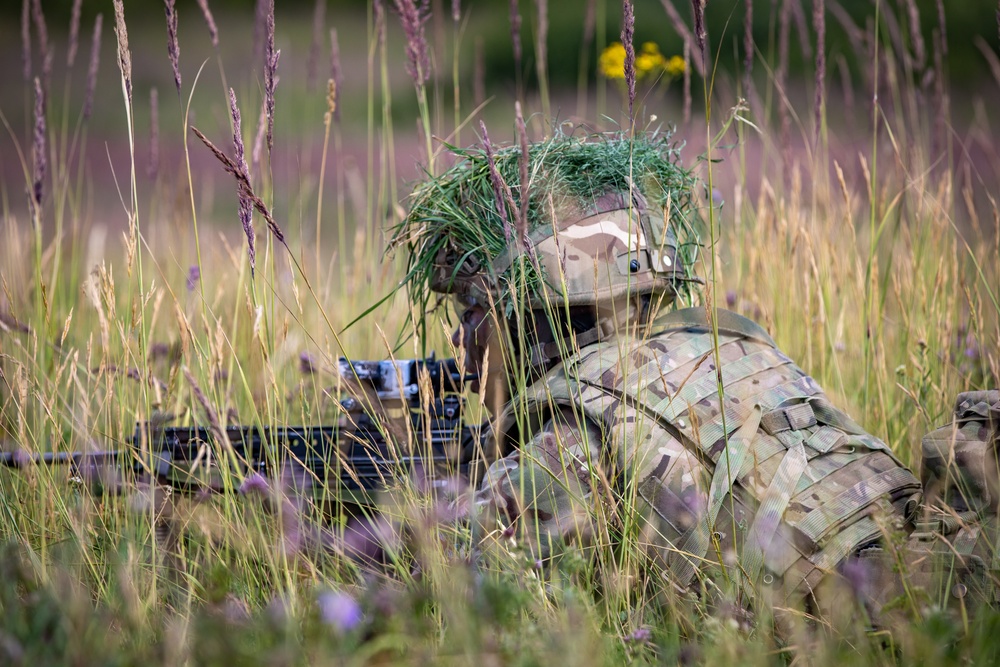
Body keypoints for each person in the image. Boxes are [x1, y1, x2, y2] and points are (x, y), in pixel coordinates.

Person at [392, 130, 999, 628]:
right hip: (939, 579)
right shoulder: (730, 345)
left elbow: (443, 579)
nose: (460, 338)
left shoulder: (576, 426)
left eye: (471, 311)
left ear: (526, 307)